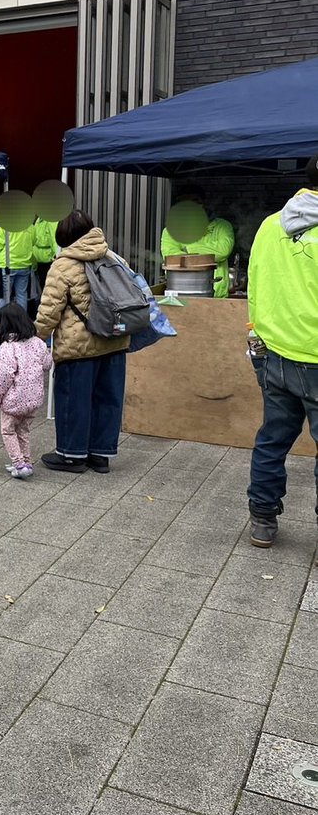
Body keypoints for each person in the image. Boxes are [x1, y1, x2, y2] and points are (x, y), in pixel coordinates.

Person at [245, 154, 318, 548]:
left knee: (272, 439)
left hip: (274, 352)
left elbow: (255, 283)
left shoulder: (270, 225)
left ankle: (262, 519)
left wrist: (258, 337)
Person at [34, 210, 130, 473]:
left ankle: (71, 455)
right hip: (115, 341)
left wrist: (36, 338)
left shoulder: (62, 266)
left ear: (64, 235)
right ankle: (100, 455)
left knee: (73, 400)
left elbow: (49, 311)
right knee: (107, 399)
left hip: (78, 347)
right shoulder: (114, 257)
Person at [0, 302, 53, 479]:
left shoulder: (8, 347)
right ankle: (26, 461)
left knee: (8, 431)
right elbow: (47, 364)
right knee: (23, 431)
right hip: (33, 399)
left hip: (13, 401)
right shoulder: (38, 343)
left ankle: (19, 464)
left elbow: (3, 376)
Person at [161, 184, 235, 298]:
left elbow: (223, 251)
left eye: (196, 201)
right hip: (181, 295)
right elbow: (171, 257)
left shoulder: (223, 226)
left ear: (204, 203)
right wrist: (206, 254)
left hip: (218, 296)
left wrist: (188, 249)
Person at [0, 220, 38, 309]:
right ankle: (21, 317)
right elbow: (33, 241)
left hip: (8, 265)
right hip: (24, 265)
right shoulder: (30, 226)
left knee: (4, 296)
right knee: (22, 295)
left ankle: (3, 318)